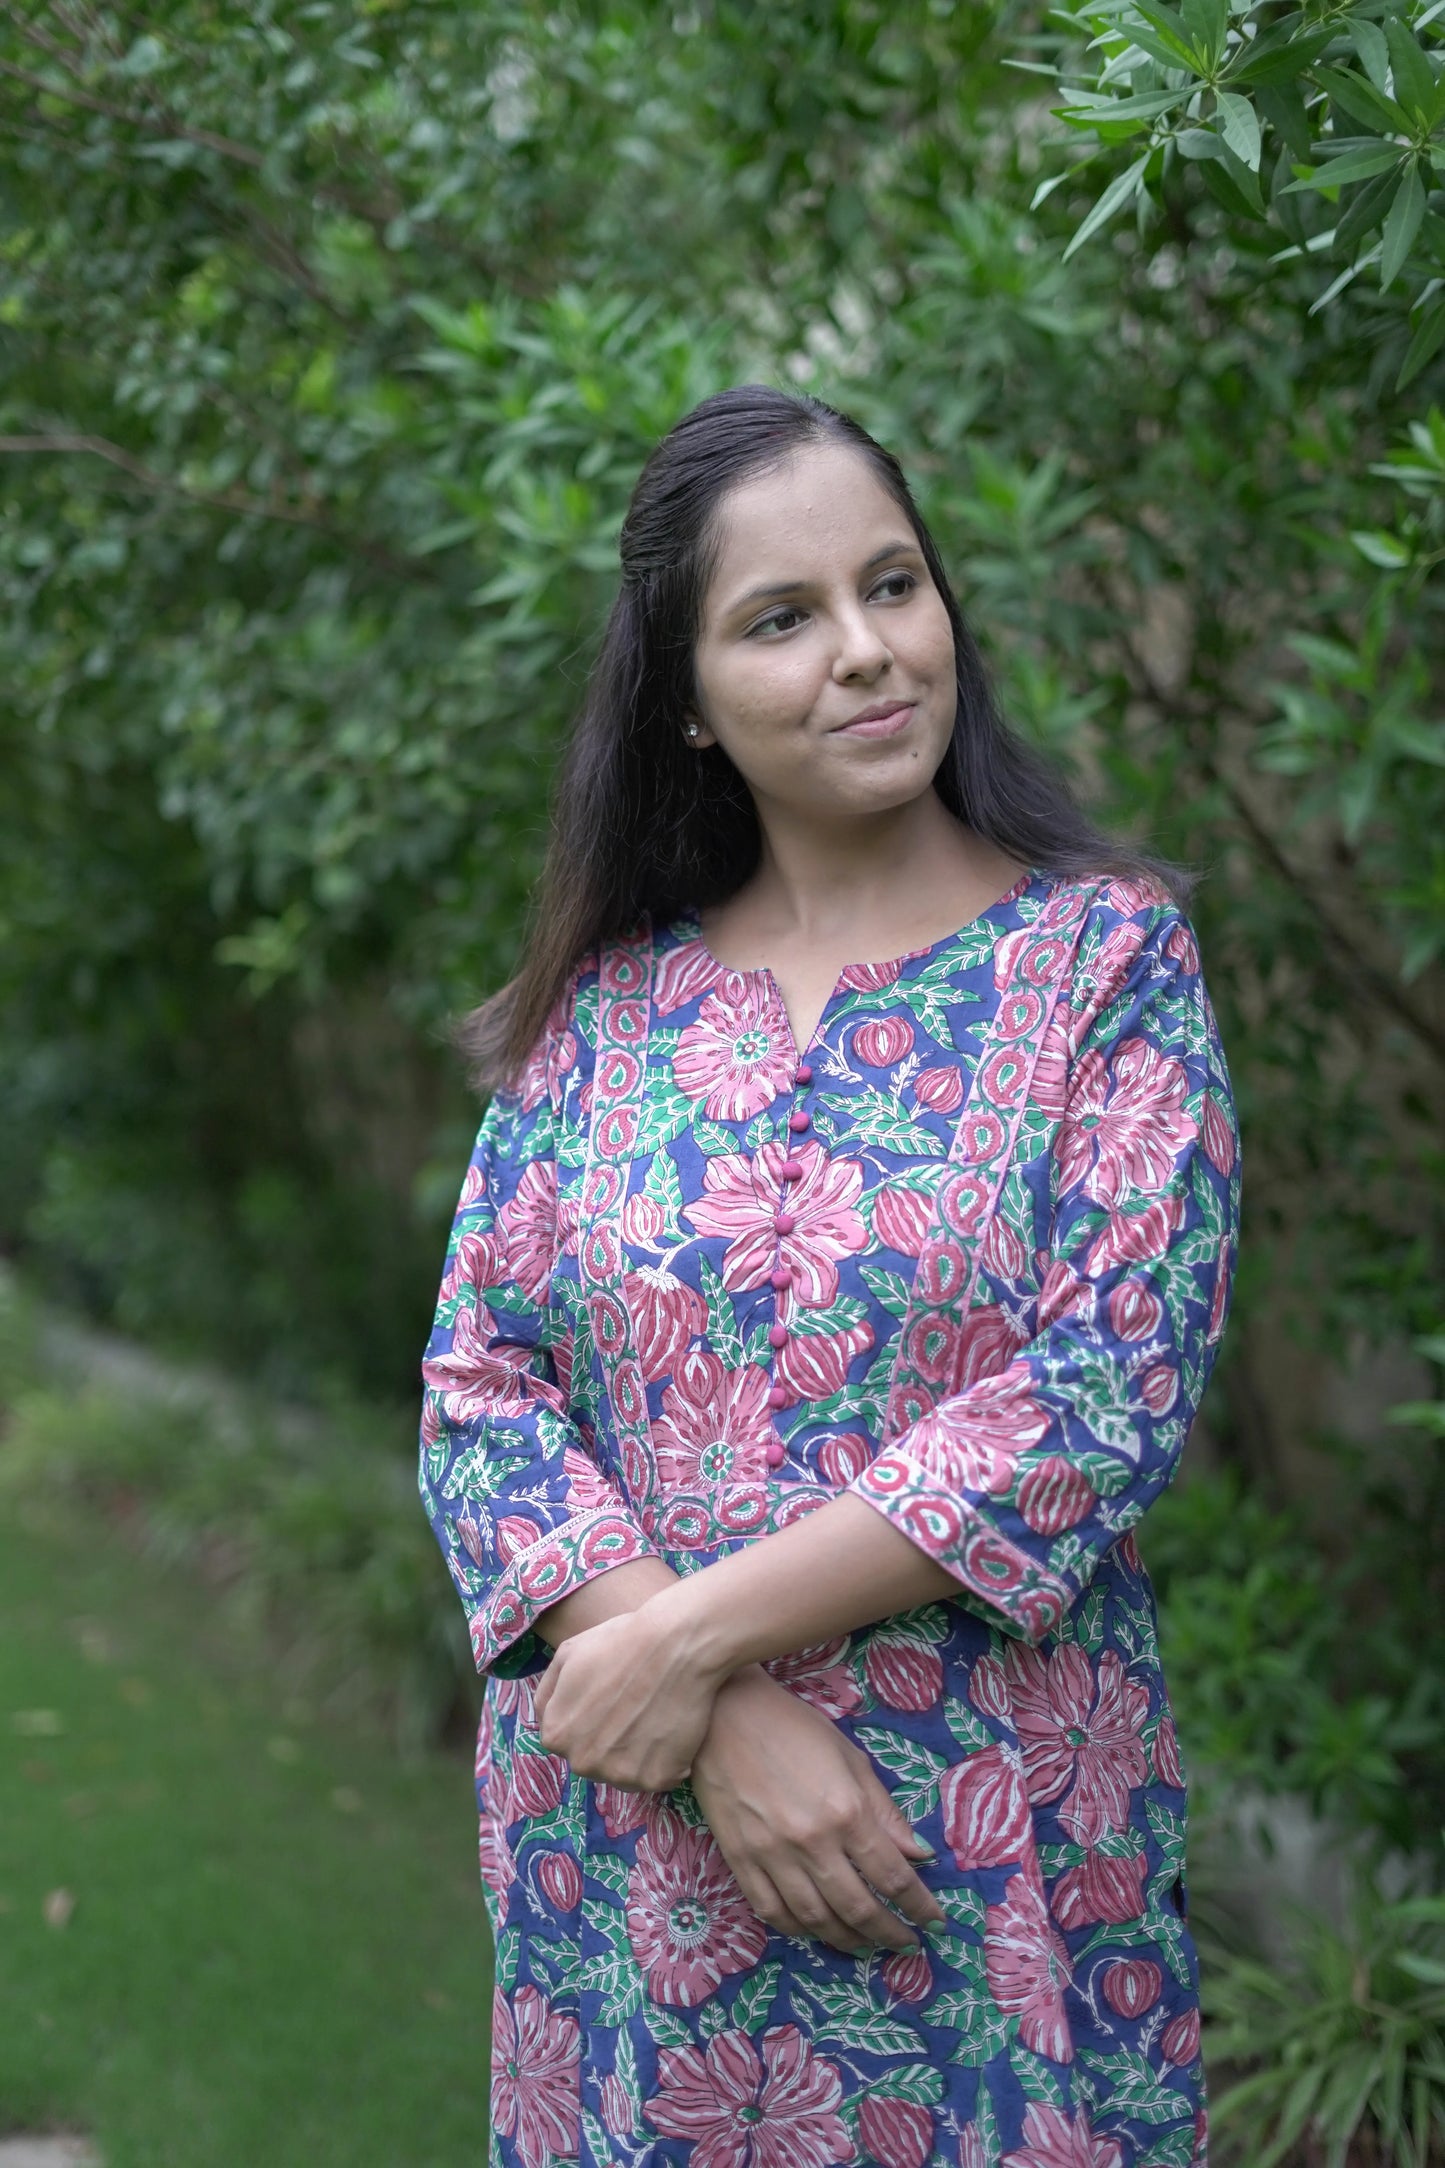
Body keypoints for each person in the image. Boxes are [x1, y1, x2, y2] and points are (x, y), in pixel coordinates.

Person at [419, 383, 1239, 2168]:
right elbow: (481, 1388)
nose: (865, 653)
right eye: (781, 620)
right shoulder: (600, 1016)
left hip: (975, 1838)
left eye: (893, 586)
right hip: (632, 1863)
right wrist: (710, 1728)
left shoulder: (1102, 964)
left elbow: (1103, 1392)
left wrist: (689, 1646)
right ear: (689, 706)